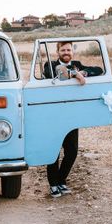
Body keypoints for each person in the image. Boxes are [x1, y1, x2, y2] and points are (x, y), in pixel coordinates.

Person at [43, 41, 103, 198]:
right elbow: (54, 74)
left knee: (72, 151)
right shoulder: (49, 64)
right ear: (58, 52)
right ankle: (53, 185)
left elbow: (99, 70)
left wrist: (84, 73)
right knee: (54, 152)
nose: (66, 52)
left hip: (71, 115)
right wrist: (75, 75)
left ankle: (62, 180)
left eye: (68, 49)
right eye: (63, 50)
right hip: (53, 115)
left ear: (72, 52)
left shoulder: (77, 64)